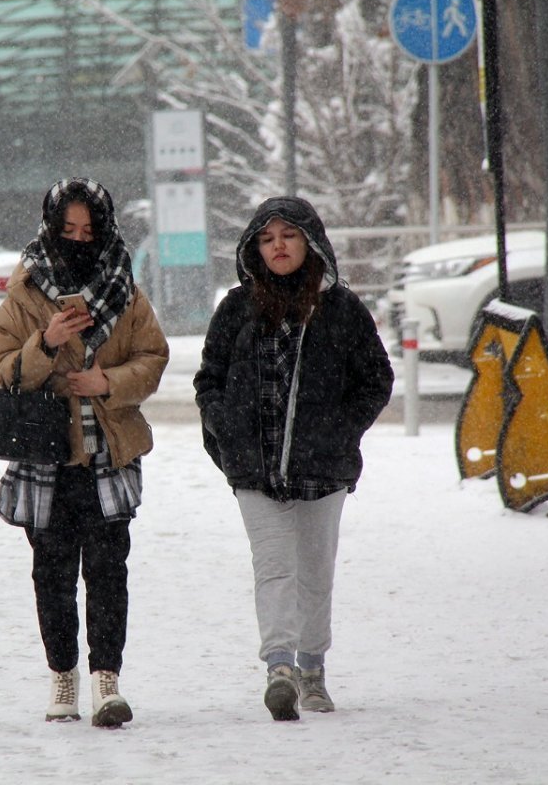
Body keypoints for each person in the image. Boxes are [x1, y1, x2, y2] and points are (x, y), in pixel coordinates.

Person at [193, 196, 394, 722]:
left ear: (310, 242)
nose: (278, 246)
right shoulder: (237, 308)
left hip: (322, 470)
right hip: (254, 469)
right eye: (267, 238)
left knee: (314, 571)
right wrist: (226, 430)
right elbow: (209, 379)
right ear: (254, 249)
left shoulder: (342, 309)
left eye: (288, 235)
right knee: (273, 567)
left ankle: (313, 669)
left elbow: (376, 379)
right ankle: (279, 668)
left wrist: (339, 431)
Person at [0, 178, 168, 728]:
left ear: (105, 231)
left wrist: (107, 382)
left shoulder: (125, 289)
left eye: (89, 231)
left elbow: (153, 357)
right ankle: (63, 677)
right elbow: (1, 368)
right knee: (53, 576)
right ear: (50, 229)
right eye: (68, 230)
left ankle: (106, 681)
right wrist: (45, 342)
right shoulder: (24, 293)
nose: (79, 240)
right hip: (46, 458)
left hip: (109, 455)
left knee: (109, 574)